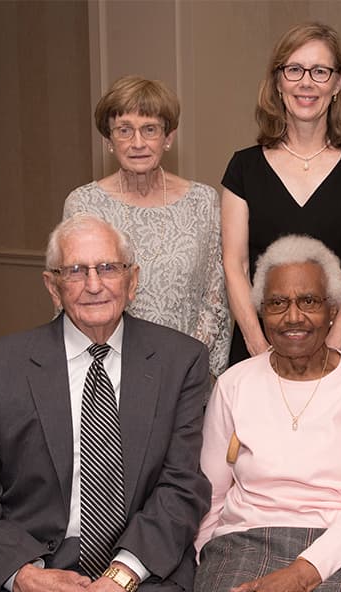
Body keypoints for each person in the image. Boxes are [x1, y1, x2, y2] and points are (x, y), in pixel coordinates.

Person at [0, 214, 212, 592]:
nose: (94, 285)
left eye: (107, 268)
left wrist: (122, 576)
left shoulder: (181, 361)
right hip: (23, 555)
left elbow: (182, 486)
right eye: (76, 272)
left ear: (132, 281)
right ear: (53, 287)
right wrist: (25, 578)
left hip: (138, 561)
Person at [194, 235, 341, 592]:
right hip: (243, 541)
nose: (293, 317)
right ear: (262, 311)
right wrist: (207, 559)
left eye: (308, 301)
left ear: (333, 309)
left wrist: (306, 570)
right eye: (277, 303)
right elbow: (210, 494)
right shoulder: (234, 384)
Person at [222, 22, 341, 366]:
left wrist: (328, 350)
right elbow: (235, 265)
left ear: (338, 83)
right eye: (294, 69)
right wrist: (259, 349)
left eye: (320, 71)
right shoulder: (243, 168)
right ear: (278, 81)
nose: (306, 82)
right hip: (259, 351)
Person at [64, 75, 229, 378]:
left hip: (185, 370)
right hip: (108, 372)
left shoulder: (203, 201)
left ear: (168, 137)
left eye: (150, 129)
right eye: (124, 130)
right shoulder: (83, 204)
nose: (137, 143)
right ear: (108, 141)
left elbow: (214, 298)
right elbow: (76, 296)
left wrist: (186, 365)